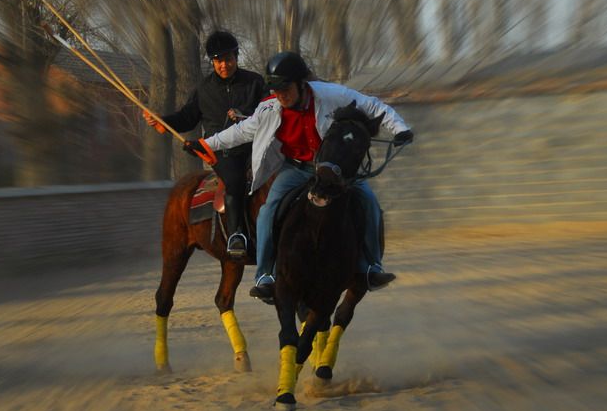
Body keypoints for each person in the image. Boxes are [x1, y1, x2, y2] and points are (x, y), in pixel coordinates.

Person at [183, 51, 413, 301]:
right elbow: (241, 131)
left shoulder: (332, 95)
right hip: (294, 169)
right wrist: (206, 144)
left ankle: (371, 267)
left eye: (285, 88)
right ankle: (265, 276)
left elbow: (373, 105)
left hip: (332, 169)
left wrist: (400, 128)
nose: (280, 95)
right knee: (268, 210)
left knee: (368, 201)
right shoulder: (269, 107)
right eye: (275, 89)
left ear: (301, 84)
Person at [144, 31, 265, 258]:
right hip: (222, 153)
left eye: (229, 59)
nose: (224, 65)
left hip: (255, 147)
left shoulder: (255, 82)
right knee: (235, 180)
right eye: (219, 61)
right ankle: (236, 235)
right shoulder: (204, 89)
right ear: (213, 61)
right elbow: (187, 117)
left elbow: (268, 112)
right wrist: (163, 121)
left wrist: (245, 115)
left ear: (237, 57)